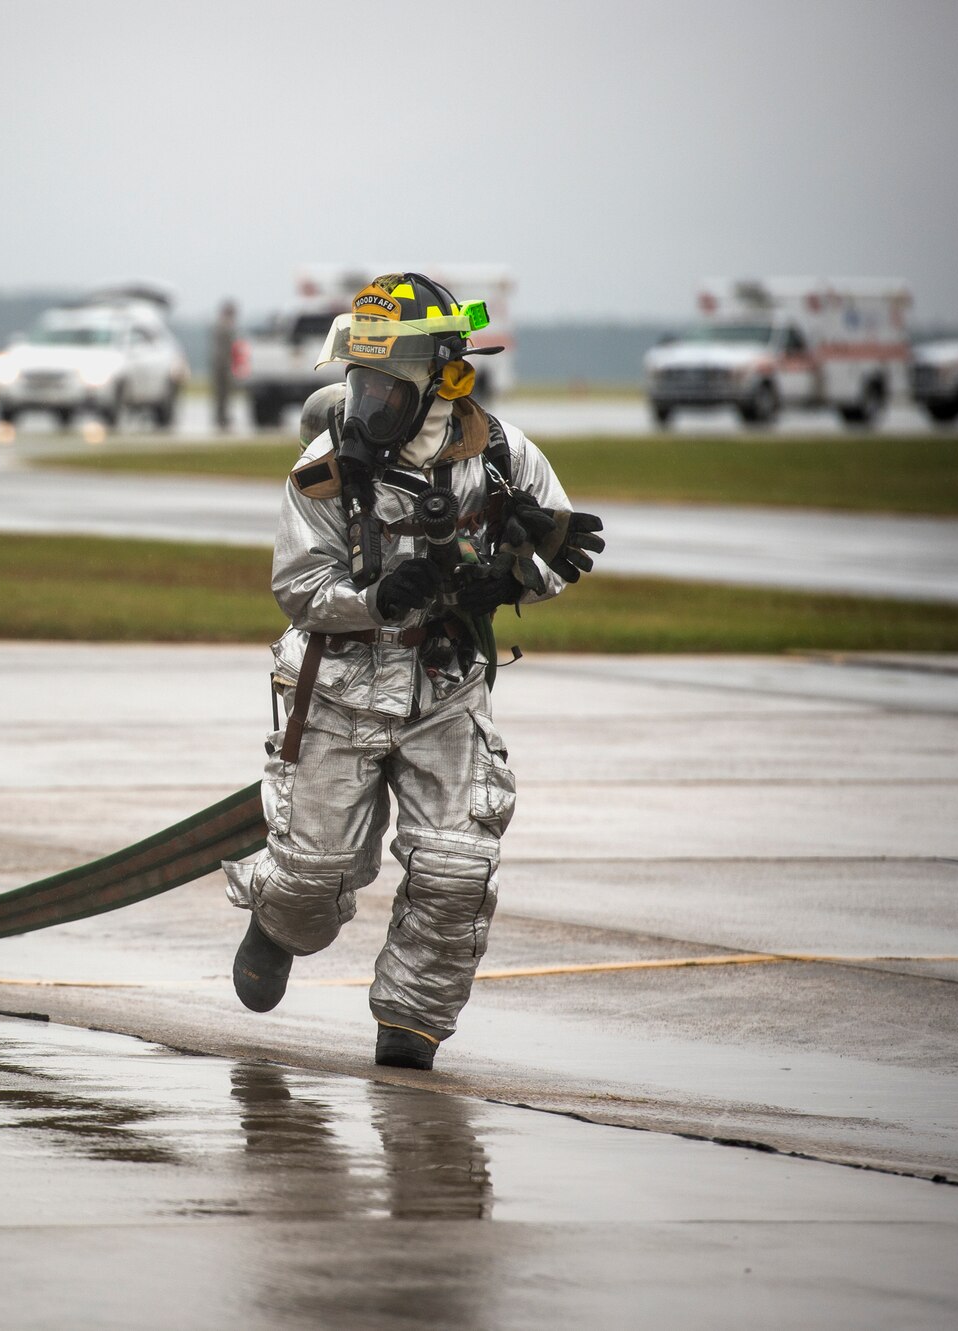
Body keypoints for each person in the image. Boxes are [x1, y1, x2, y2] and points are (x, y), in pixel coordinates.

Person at [221, 272, 604, 1070]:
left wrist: (522, 571)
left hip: (447, 688)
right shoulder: (324, 469)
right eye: (359, 386)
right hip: (337, 692)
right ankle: (276, 922)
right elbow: (297, 589)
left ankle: (411, 1028)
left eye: (386, 390)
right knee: (313, 880)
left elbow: (562, 548)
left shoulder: (501, 454)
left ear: (441, 381)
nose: (367, 407)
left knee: (457, 867)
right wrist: (375, 599)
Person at [209, 299, 238, 433]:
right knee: (222, 393)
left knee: (223, 393)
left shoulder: (220, 324)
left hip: (220, 362)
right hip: (222, 363)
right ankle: (221, 417)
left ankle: (221, 416)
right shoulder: (225, 325)